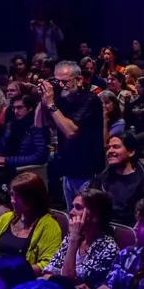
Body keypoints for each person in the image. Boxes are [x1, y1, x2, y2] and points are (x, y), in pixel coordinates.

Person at [36, 60, 105, 207]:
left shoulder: (90, 99)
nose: (61, 86)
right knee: (72, 214)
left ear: (79, 80)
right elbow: (40, 123)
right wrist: (43, 99)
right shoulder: (62, 99)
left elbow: (70, 131)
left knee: (86, 216)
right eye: (57, 81)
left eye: (65, 81)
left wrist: (50, 104)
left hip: (87, 171)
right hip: (68, 170)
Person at [0, 172, 62, 274]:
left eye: (18, 197)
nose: (13, 201)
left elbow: (48, 264)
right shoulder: (7, 218)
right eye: (12, 195)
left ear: (33, 199)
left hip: (22, 281)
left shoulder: (49, 225)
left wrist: (14, 272)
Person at [44, 188, 118, 289]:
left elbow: (67, 280)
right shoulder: (72, 237)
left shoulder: (108, 248)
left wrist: (74, 239)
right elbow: (47, 273)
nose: (71, 212)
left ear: (96, 215)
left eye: (78, 207)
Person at [90, 133, 144, 226]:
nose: (109, 151)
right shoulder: (102, 178)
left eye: (116, 147)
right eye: (108, 148)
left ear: (131, 152)